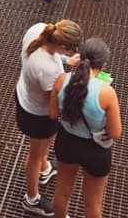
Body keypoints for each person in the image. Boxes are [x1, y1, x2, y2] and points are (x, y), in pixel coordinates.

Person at [15, 20, 84, 217]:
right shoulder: (48, 70)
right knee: (35, 156)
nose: (72, 53)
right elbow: (53, 104)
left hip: (24, 96)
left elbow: (49, 52)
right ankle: (32, 199)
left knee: (41, 152)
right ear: (62, 45)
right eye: (70, 50)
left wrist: (66, 61)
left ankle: (45, 169)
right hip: (38, 115)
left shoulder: (38, 29)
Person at [50, 38, 121, 218]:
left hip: (66, 142)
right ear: (103, 65)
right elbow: (115, 133)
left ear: (79, 58)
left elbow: (52, 114)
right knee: (93, 202)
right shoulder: (106, 93)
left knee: (62, 191)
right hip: (95, 151)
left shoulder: (62, 80)